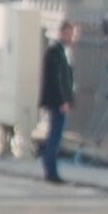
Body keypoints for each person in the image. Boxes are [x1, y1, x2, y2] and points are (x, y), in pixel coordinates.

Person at [40, 18, 77, 184]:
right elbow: (57, 79)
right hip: (57, 102)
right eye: (68, 33)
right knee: (54, 136)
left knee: (55, 135)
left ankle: (50, 168)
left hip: (59, 101)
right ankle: (51, 171)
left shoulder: (63, 51)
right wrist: (63, 100)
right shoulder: (55, 51)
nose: (71, 37)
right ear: (62, 33)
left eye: (72, 34)